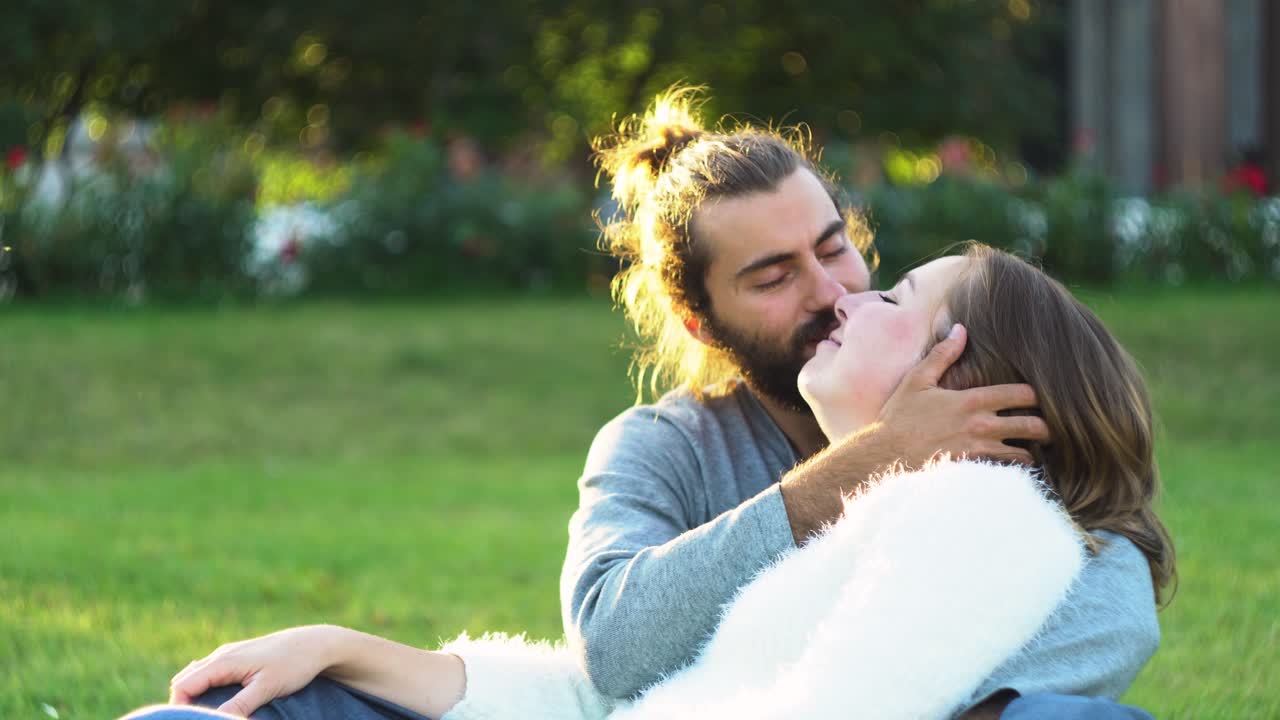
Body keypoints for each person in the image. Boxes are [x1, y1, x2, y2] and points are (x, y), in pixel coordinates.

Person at [121, 88, 1168, 719]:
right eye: (771, 277)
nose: (830, 292)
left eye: (836, 248)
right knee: (257, 703)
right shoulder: (661, 450)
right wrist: (354, 649)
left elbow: (1099, 601)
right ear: (700, 318)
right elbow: (616, 669)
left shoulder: (984, 516)